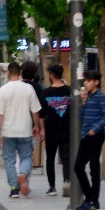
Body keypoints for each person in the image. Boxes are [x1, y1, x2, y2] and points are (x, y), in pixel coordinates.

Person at [0, 63, 42, 199]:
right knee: (26, 157)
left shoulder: (3, 90)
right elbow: (35, 111)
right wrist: (36, 126)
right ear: (20, 72)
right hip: (25, 130)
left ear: (8, 73)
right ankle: (22, 174)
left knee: (9, 160)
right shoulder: (29, 89)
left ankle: (14, 189)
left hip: (8, 131)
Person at [75, 70, 105, 210]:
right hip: (86, 135)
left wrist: (94, 129)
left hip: (95, 135)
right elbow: (81, 117)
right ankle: (90, 198)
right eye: (85, 81)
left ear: (96, 82)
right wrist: (83, 102)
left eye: (88, 81)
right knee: (78, 166)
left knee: (94, 167)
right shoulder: (88, 97)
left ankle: (94, 202)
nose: (85, 83)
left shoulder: (100, 96)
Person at [40, 64, 72, 196]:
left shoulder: (46, 93)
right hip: (66, 129)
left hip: (51, 130)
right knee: (66, 158)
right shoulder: (69, 90)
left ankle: (52, 187)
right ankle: (66, 181)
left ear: (52, 75)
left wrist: (42, 129)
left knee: (50, 159)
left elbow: (41, 114)